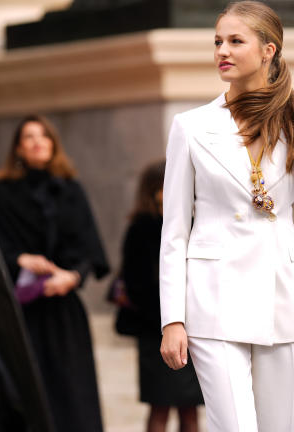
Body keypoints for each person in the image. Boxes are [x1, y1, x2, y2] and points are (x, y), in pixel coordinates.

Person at [159, 0, 294, 432]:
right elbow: (173, 232)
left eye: (235, 41)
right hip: (213, 301)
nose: (221, 51)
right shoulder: (190, 127)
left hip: (281, 301)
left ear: (268, 51)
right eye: (217, 42)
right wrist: (171, 319)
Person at [0, 115, 109, 431]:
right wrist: (19, 259)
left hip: (64, 311)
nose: (37, 142)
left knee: (71, 396)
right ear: (18, 148)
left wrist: (72, 277)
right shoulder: (2, 194)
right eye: (28, 137)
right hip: (22, 311)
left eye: (44, 136)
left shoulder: (71, 190)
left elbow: (89, 249)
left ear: (53, 145)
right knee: (27, 392)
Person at [120, 161, 203, 432]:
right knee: (160, 409)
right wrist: (170, 318)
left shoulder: (194, 222)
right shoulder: (142, 227)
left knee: (190, 411)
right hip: (155, 334)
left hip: (191, 331)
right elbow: (135, 283)